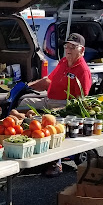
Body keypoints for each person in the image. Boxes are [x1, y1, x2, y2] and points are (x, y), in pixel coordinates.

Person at [19, 32, 92, 176]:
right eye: (67, 46)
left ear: (81, 50)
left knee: (50, 121)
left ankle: (55, 163)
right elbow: (48, 80)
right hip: (49, 99)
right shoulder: (64, 62)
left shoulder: (83, 70)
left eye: (73, 46)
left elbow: (81, 99)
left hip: (64, 104)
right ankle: (24, 145)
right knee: (23, 103)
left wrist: (63, 108)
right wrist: (28, 85)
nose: (68, 49)